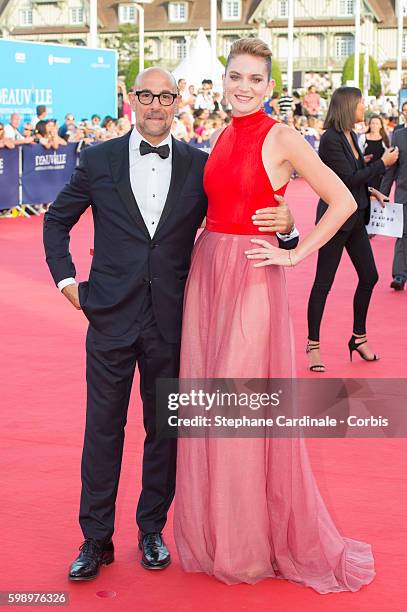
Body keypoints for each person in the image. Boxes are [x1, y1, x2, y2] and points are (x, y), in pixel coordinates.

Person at [43, 66, 296, 581]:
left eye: (165, 96)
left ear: (177, 101)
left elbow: (239, 220)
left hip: (174, 322)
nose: (156, 104)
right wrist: (68, 283)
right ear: (131, 98)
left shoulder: (200, 167)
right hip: (110, 317)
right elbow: (56, 221)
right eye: (146, 95)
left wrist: (288, 232)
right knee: (103, 430)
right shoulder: (98, 159)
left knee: (164, 432)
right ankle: (95, 539)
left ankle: (151, 530)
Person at [174, 38, 376, 592]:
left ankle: (243, 549)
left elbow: (344, 201)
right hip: (207, 275)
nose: (242, 87)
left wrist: (294, 249)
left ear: (270, 86)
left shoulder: (281, 135)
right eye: (234, 76)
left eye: (254, 80)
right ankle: (218, 532)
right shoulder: (218, 134)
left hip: (250, 278)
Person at [306, 87, 398, 372]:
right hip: (335, 220)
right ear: (348, 106)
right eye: (360, 104)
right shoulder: (331, 139)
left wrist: (372, 191)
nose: (364, 109)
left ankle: (358, 337)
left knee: (369, 276)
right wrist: (382, 164)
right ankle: (313, 345)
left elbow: (354, 177)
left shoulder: (350, 136)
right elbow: (346, 179)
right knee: (324, 283)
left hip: (356, 217)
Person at [380, 122, 407, 290]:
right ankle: (400, 275)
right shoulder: (398, 135)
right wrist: (382, 193)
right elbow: (391, 168)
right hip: (403, 193)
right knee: (402, 233)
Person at [362, 115, 390, 190]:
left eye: (377, 123)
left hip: (380, 174)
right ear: (369, 125)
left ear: (381, 126)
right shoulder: (363, 138)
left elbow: (388, 154)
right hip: (366, 172)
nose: (374, 125)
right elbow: (358, 154)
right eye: (373, 123)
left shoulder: (384, 139)